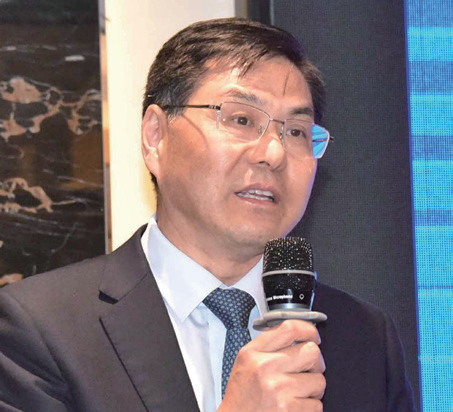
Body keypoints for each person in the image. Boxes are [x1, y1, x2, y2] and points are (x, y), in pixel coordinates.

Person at [0, 18, 414, 412]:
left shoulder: (363, 337)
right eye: (241, 119)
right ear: (155, 136)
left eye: (296, 132)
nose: (273, 153)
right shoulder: (40, 329)